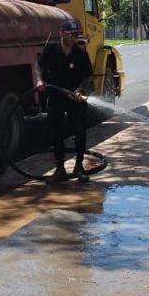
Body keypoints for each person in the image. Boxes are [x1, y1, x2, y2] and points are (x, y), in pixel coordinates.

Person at [35, 20, 94, 183]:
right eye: (71, 35)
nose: (74, 38)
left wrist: (79, 90)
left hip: (76, 97)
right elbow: (39, 66)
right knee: (56, 132)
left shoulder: (81, 53)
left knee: (80, 131)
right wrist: (39, 81)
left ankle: (79, 166)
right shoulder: (51, 50)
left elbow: (88, 77)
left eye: (76, 35)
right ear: (61, 33)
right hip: (56, 95)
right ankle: (59, 169)